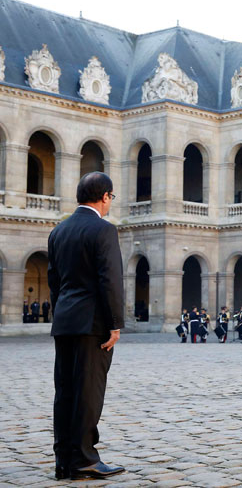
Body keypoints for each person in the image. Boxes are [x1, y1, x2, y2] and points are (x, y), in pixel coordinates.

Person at [47, 171, 124, 480]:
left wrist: (61, 314)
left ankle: (64, 460)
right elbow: (110, 281)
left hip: (65, 321)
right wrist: (115, 324)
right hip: (92, 324)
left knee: (64, 392)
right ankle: (85, 460)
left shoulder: (58, 231)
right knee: (88, 393)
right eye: (111, 198)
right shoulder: (103, 230)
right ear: (104, 196)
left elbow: (54, 282)